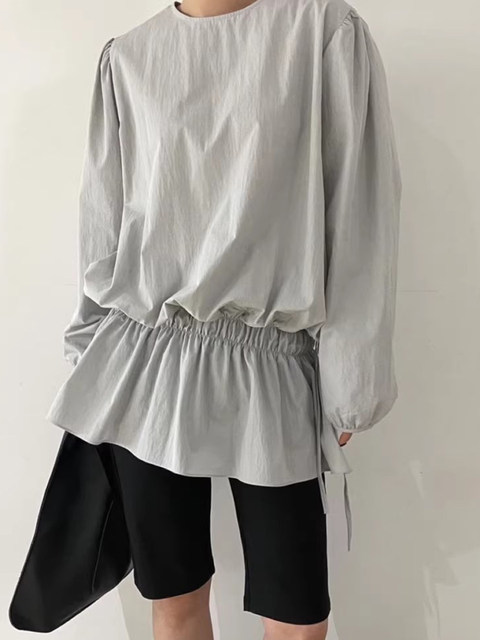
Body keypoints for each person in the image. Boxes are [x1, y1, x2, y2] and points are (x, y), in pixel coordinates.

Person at [45, 0, 402, 637]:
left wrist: (352, 374)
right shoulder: (129, 56)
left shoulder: (322, 31)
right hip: (145, 366)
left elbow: (359, 212)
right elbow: (103, 221)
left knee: (297, 614)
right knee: (175, 598)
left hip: (271, 366)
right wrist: (87, 358)